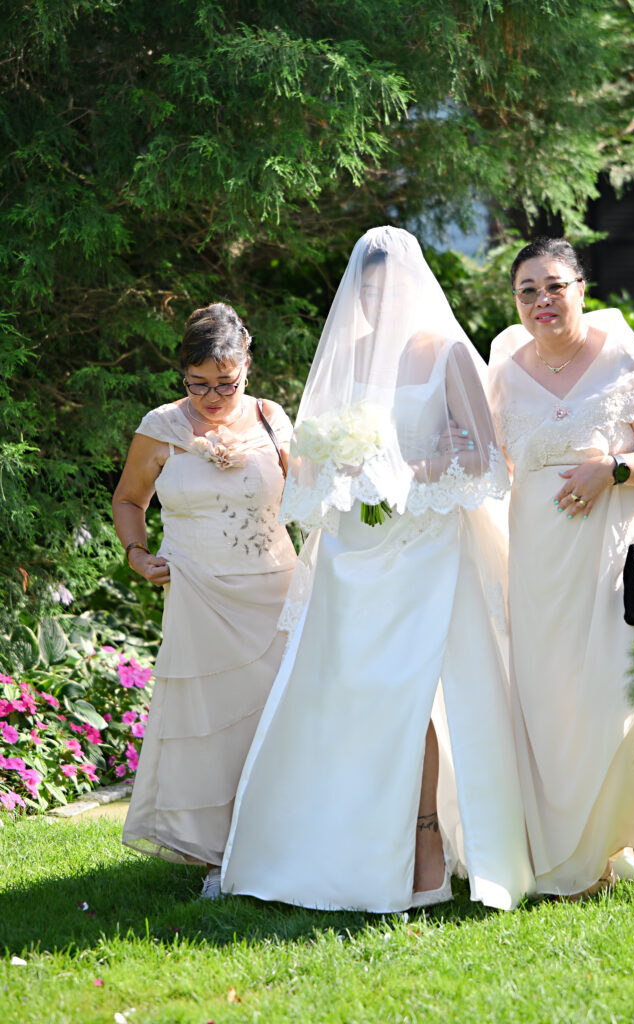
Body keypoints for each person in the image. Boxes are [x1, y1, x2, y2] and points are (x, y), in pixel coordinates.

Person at [221, 226, 534, 912]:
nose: (375, 298)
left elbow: (484, 462)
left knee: (407, 693)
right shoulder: (349, 354)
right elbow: (311, 458)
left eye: (385, 284)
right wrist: (341, 472)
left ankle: (424, 844)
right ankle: (329, 843)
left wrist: (401, 471)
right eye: (365, 287)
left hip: (425, 547)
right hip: (353, 548)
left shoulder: (447, 352)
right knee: (343, 693)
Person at [488, 237, 634, 898]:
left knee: (623, 697)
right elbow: (487, 468)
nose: (541, 301)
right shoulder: (503, 372)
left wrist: (609, 469)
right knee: (554, 703)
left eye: (554, 286)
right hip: (538, 567)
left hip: (616, 561)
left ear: (580, 288)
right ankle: (579, 855)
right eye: (528, 290)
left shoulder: (619, 360)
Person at [112, 302, 297, 899]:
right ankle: (220, 856)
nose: (213, 397)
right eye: (199, 384)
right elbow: (129, 501)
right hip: (198, 596)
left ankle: (286, 841)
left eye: (227, 383)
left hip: (276, 592)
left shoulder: (272, 420)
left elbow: (312, 499)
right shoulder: (162, 426)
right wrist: (138, 555)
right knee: (213, 728)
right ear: (182, 374)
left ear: (247, 366)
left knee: (279, 720)